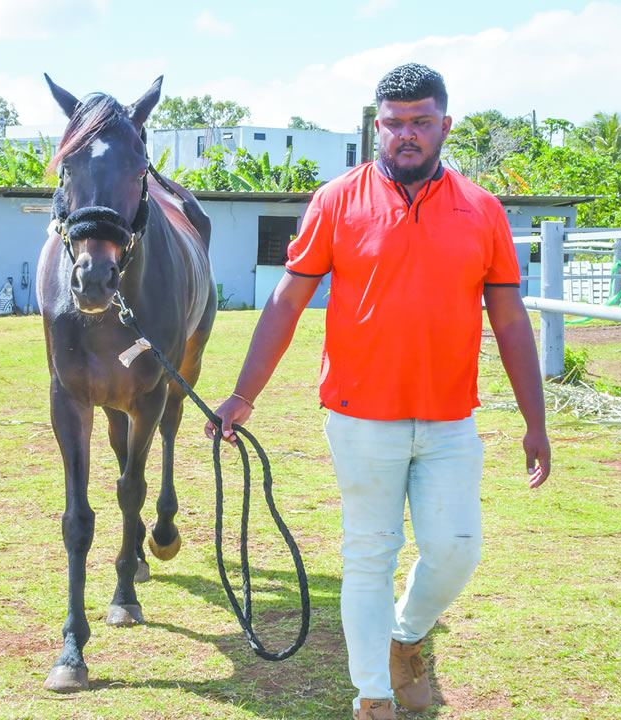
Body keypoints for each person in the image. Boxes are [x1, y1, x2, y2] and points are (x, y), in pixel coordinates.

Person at [206, 63, 551, 720]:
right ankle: (373, 696)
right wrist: (244, 394)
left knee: (456, 550)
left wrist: (536, 422)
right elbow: (285, 302)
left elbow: (509, 320)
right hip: (361, 417)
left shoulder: (482, 211)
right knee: (369, 553)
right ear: (377, 128)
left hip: (450, 421)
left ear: (445, 126)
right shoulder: (337, 201)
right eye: (394, 124)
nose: (407, 136)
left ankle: (407, 634)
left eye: (422, 122)